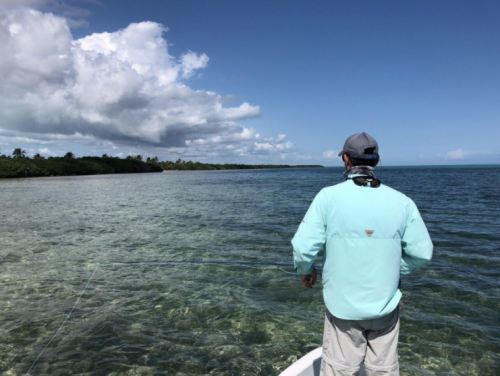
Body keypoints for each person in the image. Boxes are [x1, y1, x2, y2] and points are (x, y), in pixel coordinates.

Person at [291, 132, 433, 376]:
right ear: (377, 161)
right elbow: (422, 253)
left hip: (342, 309)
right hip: (386, 306)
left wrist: (307, 270)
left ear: (346, 159)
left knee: (339, 370)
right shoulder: (403, 202)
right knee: (384, 370)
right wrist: (393, 269)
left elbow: (304, 248)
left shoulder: (327, 197)